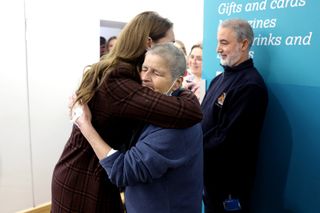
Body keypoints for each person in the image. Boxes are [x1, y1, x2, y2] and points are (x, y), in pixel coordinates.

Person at [51, 11, 202, 213]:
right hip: (84, 177)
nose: (146, 77)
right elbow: (189, 111)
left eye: (155, 72)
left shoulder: (125, 74)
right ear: (149, 43)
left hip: (96, 173)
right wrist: (185, 91)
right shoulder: (120, 80)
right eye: (169, 43)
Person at [201, 19, 268, 213]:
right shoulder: (218, 79)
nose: (217, 49)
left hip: (229, 186)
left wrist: (190, 147)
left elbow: (227, 139)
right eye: (218, 42)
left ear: (244, 44)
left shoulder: (250, 86)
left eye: (224, 42)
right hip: (209, 179)